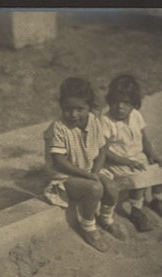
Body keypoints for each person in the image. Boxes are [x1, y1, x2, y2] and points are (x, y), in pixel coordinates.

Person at [43, 77, 126, 253]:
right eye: (68, 109)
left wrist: (94, 172)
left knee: (111, 188)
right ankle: (88, 226)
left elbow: (102, 150)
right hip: (66, 176)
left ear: (90, 107)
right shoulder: (58, 127)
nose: (73, 114)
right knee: (95, 189)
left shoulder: (94, 121)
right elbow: (59, 161)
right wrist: (88, 176)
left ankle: (106, 219)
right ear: (61, 106)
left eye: (79, 109)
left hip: (87, 171)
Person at [100, 74, 162, 232]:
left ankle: (157, 201)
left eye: (126, 102)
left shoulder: (136, 116)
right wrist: (127, 162)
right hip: (117, 161)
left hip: (137, 157)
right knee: (138, 176)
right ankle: (136, 211)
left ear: (134, 104)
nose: (120, 106)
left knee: (160, 168)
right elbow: (103, 150)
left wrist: (152, 155)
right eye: (116, 101)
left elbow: (144, 138)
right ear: (110, 100)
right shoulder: (106, 121)